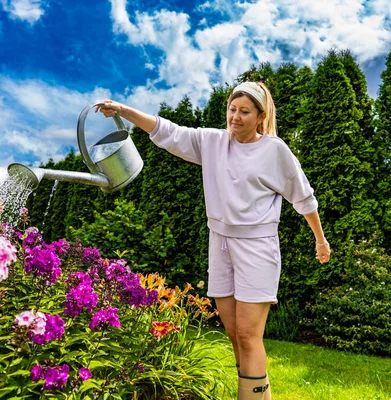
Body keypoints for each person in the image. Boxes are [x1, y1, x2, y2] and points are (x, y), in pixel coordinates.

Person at [96, 81, 331, 399]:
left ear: (261, 116)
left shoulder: (274, 151)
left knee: (249, 336)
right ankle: (256, 394)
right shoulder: (213, 142)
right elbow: (169, 132)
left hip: (257, 249)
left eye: (244, 111)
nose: (235, 117)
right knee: (235, 335)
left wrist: (320, 240)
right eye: (232, 109)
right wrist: (123, 110)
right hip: (220, 244)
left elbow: (304, 197)